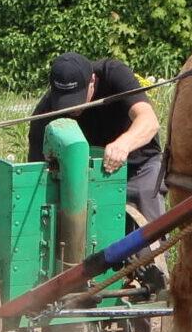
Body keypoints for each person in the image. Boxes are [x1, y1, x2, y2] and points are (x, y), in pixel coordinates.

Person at [28, 51, 163, 224]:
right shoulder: (44, 113)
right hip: (89, 176)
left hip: (138, 167)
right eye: (65, 101)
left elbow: (149, 121)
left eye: (77, 98)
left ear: (92, 80)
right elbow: (37, 175)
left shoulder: (113, 74)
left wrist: (124, 144)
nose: (71, 108)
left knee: (148, 226)